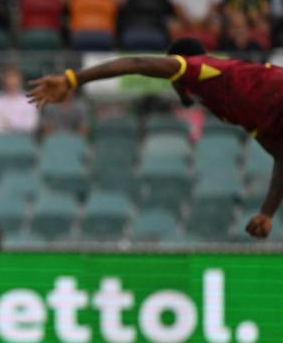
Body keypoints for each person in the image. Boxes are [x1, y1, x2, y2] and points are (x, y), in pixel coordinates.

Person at [27, 37, 283, 239]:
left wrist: (73, 80)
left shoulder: (195, 67)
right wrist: (266, 213)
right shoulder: (228, 106)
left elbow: (136, 64)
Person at [0, 66, 39, 136]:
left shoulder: (30, 99)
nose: (11, 81)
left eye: (14, 77)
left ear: (20, 79)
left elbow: (32, 125)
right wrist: (18, 125)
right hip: (1, 143)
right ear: (3, 80)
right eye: (8, 77)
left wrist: (7, 123)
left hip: (25, 142)